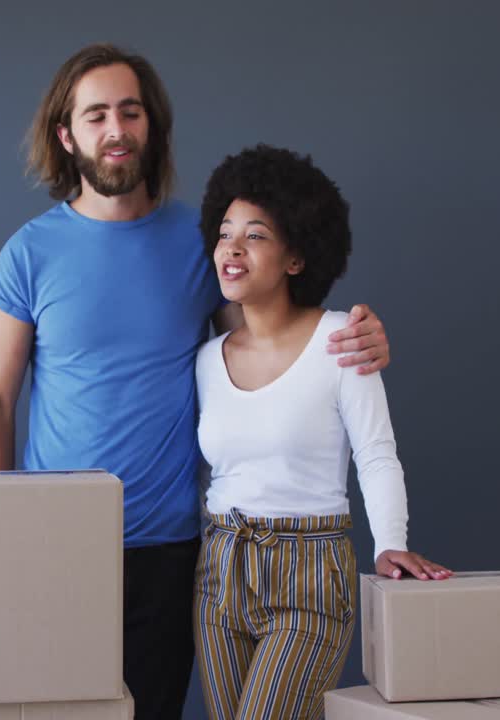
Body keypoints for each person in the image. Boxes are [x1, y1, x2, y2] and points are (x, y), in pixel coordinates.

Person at [0, 45, 392, 720]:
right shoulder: (29, 253)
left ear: (152, 127)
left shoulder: (198, 244)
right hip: (56, 542)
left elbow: (266, 344)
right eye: (97, 113)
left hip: (171, 547)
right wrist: (0, 525)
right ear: (66, 134)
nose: (116, 129)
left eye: (130, 112)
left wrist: (351, 336)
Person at [193, 144, 451, 720]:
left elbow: (377, 453)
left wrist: (390, 544)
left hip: (307, 573)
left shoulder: (341, 340)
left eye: (256, 235)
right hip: (220, 569)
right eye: (225, 232)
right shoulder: (206, 360)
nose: (233, 248)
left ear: (296, 258)